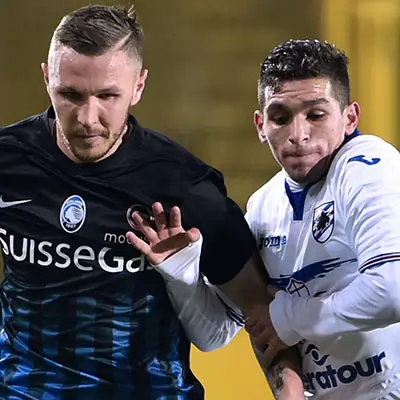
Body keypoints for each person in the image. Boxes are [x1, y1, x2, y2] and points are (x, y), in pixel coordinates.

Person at [0, 4, 281, 399]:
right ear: (48, 79)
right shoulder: (9, 159)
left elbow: (257, 313)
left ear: (138, 86)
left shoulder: (185, 186)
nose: (87, 117)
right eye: (71, 94)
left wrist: (183, 278)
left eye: (107, 95)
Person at [244, 38, 400, 399]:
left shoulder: (369, 166)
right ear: (260, 125)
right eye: (280, 117)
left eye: (315, 115)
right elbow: (221, 331)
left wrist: (290, 319)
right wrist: (180, 268)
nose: (298, 135)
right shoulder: (262, 206)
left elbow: (392, 289)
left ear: (350, 118)